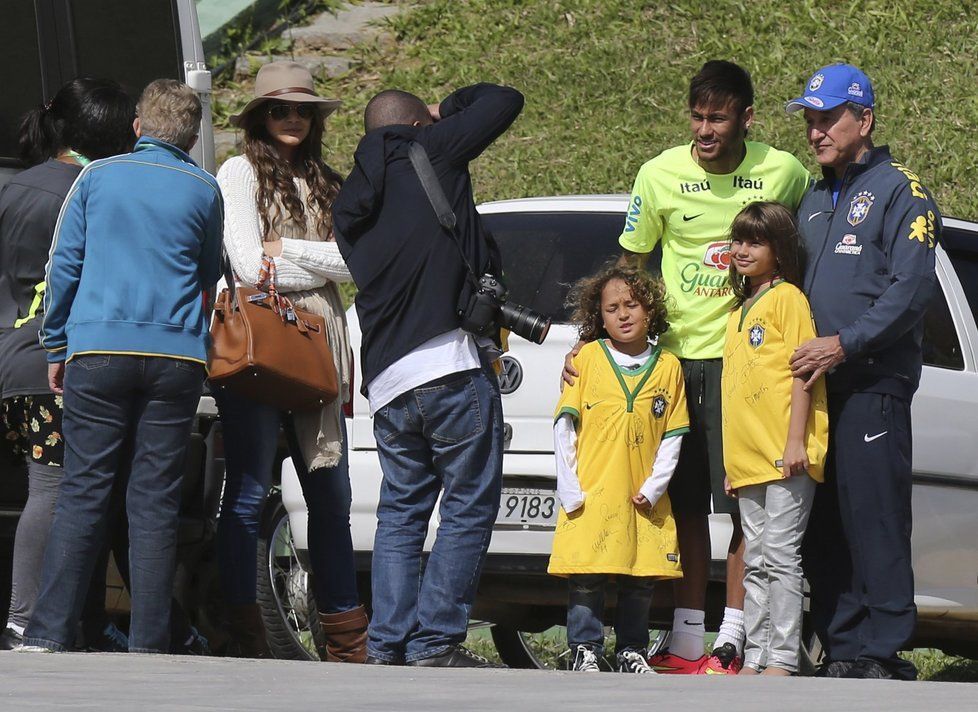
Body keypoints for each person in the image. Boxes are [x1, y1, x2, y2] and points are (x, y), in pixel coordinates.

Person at [564, 60, 811, 674]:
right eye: (697, 117)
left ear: (746, 118)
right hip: (674, 364)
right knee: (682, 506)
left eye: (718, 118)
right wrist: (588, 338)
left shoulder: (784, 171)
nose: (704, 130)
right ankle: (687, 640)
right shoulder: (658, 174)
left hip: (748, 366)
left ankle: (735, 636)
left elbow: (813, 238)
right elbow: (628, 268)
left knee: (746, 503)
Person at [21, 79, 223, 654]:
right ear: (192, 134)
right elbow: (209, 276)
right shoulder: (204, 189)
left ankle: (49, 632)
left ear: (137, 126)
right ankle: (151, 640)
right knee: (153, 501)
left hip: (100, 351)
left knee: (84, 491)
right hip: (176, 357)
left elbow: (64, 266)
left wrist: (56, 346)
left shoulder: (96, 177)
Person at [333, 83, 523, 667]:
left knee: (401, 512)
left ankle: (387, 644)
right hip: (448, 366)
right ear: (418, 125)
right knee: (467, 504)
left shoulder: (351, 199)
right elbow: (503, 100)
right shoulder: (430, 150)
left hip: (388, 382)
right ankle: (436, 642)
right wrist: (445, 110)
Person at [786, 63, 939, 681]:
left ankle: (883, 647)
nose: (816, 131)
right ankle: (843, 646)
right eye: (810, 120)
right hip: (813, 388)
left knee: (873, 514)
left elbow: (910, 291)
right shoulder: (813, 198)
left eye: (828, 119)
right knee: (823, 524)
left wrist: (844, 345)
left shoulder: (902, 189)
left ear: (864, 120)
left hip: (872, 381)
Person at [216, 60, 366, 661]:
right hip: (259, 340)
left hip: (320, 341)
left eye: (303, 109)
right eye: (280, 109)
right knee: (250, 492)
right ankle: (242, 632)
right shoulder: (238, 172)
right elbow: (251, 267)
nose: (294, 119)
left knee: (330, 496)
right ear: (259, 116)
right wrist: (319, 258)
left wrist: (291, 250)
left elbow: (358, 265)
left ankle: (345, 640)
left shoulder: (329, 180)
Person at [0, 78, 136, 651]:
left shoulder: (13, 186)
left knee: (56, 486)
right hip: (52, 358)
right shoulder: (90, 192)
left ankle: (70, 619)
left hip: (10, 358)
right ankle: (25, 619)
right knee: (54, 487)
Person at [550, 264, 688, 674]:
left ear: (650, 310)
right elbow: (564, 427)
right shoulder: (586, 359)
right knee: (587, 577)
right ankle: (585, 648)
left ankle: (631, 650)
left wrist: (655, 486)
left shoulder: (668, 367)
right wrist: (569, 486)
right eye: (612, 308)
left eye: (632, 304)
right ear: (600, 316)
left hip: (641, 497)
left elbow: (673, 435)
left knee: (639, 578)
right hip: (593, 492)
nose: (623, 314)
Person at [719, 202, 828, 676]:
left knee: (782, 556)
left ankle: (783, 657)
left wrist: (795, 442)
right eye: (738, 240)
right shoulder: (737, 310)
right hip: (747, 461)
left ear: (779, 251)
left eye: (755, 242)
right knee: (757, 558)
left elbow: (803, 374)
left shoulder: (789, 300)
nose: (743, 250)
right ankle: (758, 654)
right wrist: (731, 463)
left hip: (787, 454)